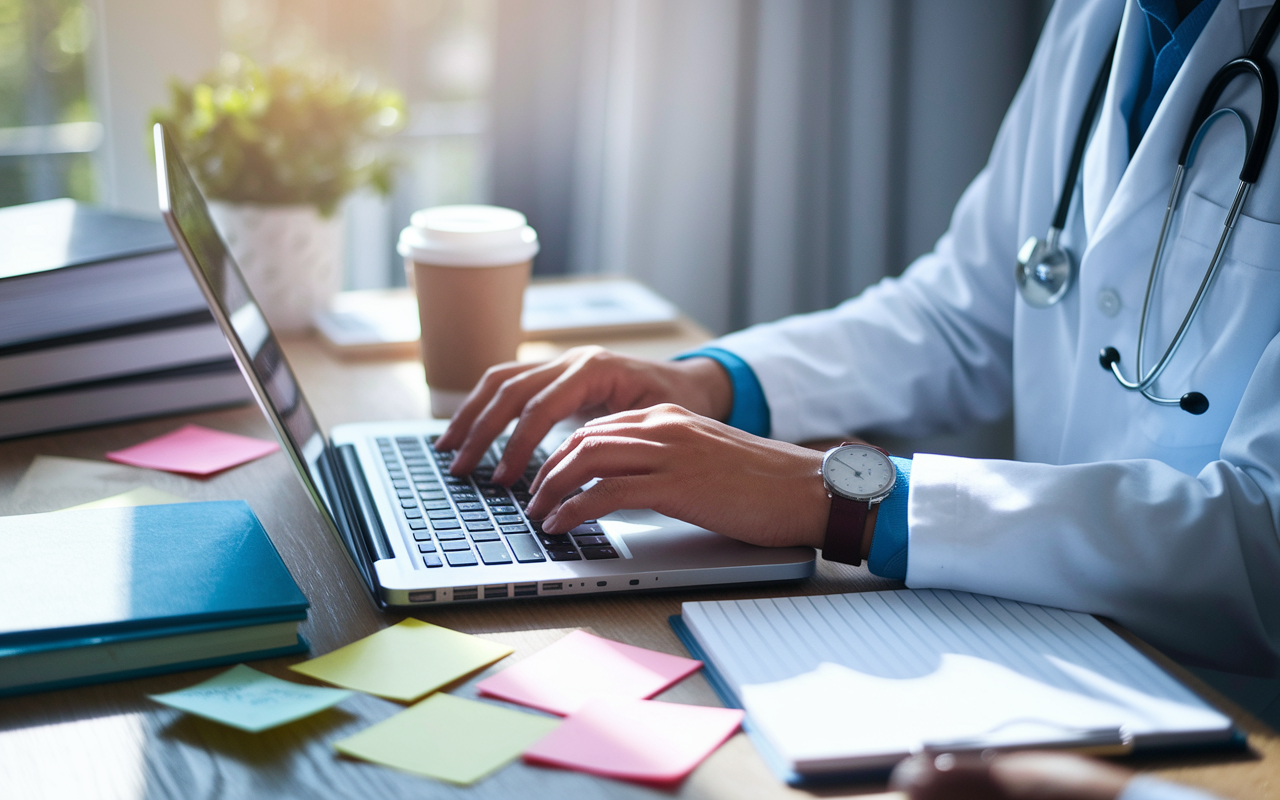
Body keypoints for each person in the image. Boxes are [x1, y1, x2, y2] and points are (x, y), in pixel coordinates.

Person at [436, 0, 1280, 695]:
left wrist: (843, 499)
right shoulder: (1100, 19)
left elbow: (1265, 536)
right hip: (1047, 644)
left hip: (1231, 717)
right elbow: (963, 315)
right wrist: (705, 383)